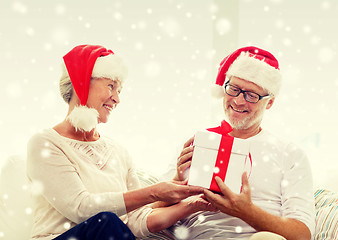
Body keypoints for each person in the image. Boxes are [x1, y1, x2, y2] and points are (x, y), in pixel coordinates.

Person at [26, 44, 216, 240]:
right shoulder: (45, 143)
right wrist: (154, 193)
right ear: (81, 82)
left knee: (114, 224)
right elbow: (81, 209)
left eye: (120, 90)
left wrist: (193, 205)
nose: (116, 99)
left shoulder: (119, 152)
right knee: (105, 222)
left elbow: (134, 221)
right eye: (111, 86)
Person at [170, 46, 315, 240]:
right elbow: (150, 212)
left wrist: (245, 211)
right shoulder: (197, 143)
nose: (238, 101)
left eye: (252, 95)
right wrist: (177, 181)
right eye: (234, 89)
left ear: (269, 102)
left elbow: (302, 234)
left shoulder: (289, 153)